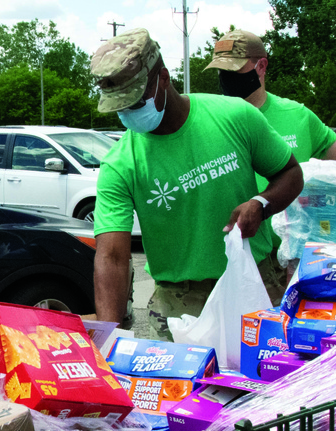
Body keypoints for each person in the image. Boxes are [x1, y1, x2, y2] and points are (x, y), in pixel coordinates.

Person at [90, 28, 304, 341]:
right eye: (119, 108)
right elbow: (112, 256)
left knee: (266, 385)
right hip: (178, 307)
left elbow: (290, 173)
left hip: (255, 285)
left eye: (135, 103)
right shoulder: (121, 164)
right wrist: (107, 338)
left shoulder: (234, 116)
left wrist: (261, 204)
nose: (128, 113)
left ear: (162, 78)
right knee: (179, 390)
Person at [205, 29, 336, 169]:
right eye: (222, 70)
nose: (226, 76)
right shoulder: (208, 122)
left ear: (261, 66)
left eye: (234, 68)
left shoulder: (297, 116)